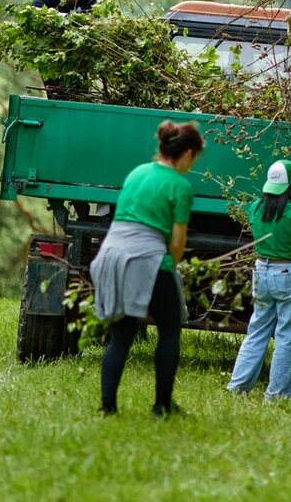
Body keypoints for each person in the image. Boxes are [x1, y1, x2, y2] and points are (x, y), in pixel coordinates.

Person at [90, 121, 204, 417]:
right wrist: (172, 267)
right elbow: (177, 241)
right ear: (188, 153)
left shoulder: (137, 173)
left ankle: (108, 407)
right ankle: (161, 407)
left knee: (122, 334)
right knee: (169, 329)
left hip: (111, 253)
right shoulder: (180, 186)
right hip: (146, 259)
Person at [227, 159, 291, 400]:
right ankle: (276, 395)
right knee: (287, 336)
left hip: (261, 271)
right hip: (287, 276)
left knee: (257, 331)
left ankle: (237, 388)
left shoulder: (254, 208)